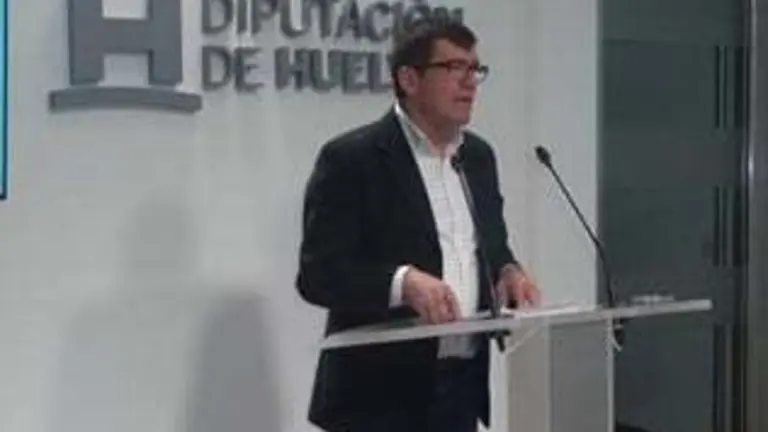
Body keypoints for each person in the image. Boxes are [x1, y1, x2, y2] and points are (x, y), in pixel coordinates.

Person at [295, 17, 541, 432]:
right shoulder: (352, 159)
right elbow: (319, 275)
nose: (470, 82)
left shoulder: (478, 158)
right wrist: (402, 282)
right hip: (377, 399)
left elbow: (490, 244)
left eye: (475, 69)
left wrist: (507, 271)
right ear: (409, 79)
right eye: (454, 68)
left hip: (459, 391)